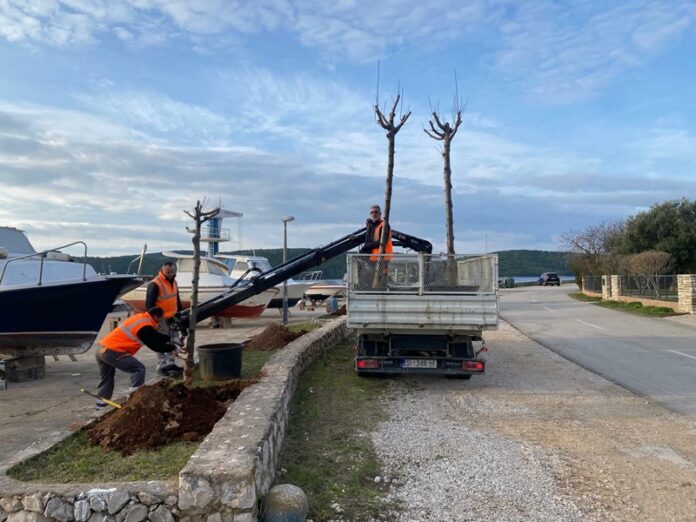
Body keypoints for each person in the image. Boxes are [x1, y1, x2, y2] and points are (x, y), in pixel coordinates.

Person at [95, 307, 177, 409]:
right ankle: (134, 398)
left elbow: (153, 335)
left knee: (106, 378)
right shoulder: (145, 326)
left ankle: (100, 405)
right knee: (138, 369)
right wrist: (172, 347)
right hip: (112, 351)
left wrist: (167, 339)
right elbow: (155, 345)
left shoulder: (141, 318)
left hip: (101, 349)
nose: (161, 322)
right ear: (156, 316)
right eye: (161, 319)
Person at [146, 261, 183, 376]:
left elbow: (176, 299)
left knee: (174, 341)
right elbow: (149, 304)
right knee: (161, 343)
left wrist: (180, 313)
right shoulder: (155, 284)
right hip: (161, 319)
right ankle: (162, 365)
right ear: (162, 271)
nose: (170, 274)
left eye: (172, 272)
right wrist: (154, 321)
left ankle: (170, 363)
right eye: (168, 272)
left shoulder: (174, 282)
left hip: (173, 317)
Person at [358, 205, 393, 287]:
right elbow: (368, 239)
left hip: (382, 257)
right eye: (372, 212)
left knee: (381, 278)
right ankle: (372, 289)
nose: (374, 214)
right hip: (373, 257)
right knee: (371, 277)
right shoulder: (372, 226)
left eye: (376, 212)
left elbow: (382, 242)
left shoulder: (384, 225)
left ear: (380, 213)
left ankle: (380, 290)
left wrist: (366, 246)